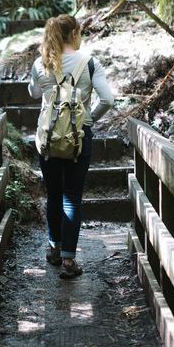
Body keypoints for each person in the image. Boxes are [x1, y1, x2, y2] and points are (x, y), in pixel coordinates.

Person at [28, 14, 115, 279]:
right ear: (74, 33)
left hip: (48, 139)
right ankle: (68, 260)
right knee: (72, 197)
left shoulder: (41, 63)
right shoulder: (89, 63)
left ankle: (54, 249)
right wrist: (88, 119)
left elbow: (33, 93)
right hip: (78, 138)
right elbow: (107, 100)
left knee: (54, 195)